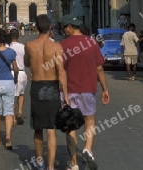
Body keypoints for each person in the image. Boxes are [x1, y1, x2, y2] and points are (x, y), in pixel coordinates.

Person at [61, 19, 110, 170]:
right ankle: (88, 149)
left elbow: (60, 70)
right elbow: (99, 68)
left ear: (69, 27)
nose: (64, 31)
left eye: (65, 28)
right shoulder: (92, 43)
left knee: (71, 126)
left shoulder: (63, 45)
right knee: (90, 120)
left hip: (69, 91)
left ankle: (74, 163)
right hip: (88, 89)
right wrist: (105, 89)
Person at [24, 14, 68, 170]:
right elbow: (61, 72)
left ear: (36, 27)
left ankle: (40, 160)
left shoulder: (29, 45)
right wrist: (66, 96)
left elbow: (26, 63)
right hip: (52, 87)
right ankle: (50, 166)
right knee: (51, 129)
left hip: (36, 86)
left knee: (38, 128)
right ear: (50, 27)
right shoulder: (56, 47)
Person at [9, 28, 28, 125]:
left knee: (11, 96)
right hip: (21, 72)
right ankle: (20, 112)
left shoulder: (7, 46)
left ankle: (12, 117)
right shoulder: (23, 47)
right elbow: (26, 60)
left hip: (10, 72)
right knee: (21, 94)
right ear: (18, 36)